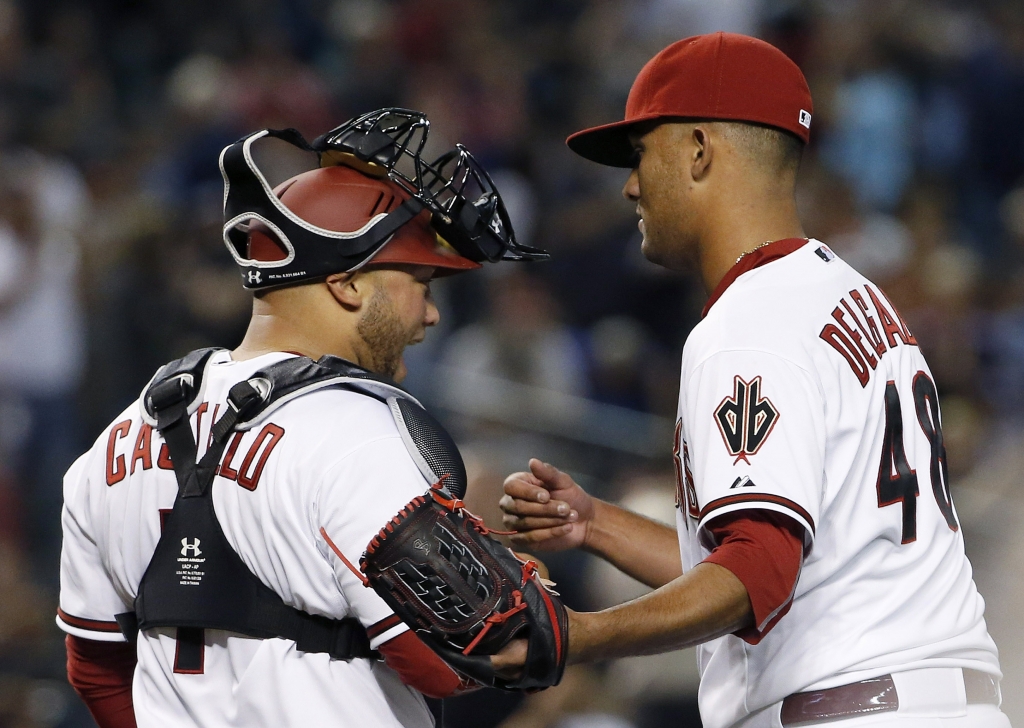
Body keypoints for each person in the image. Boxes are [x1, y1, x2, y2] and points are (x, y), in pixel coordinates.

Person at [499, 33, 1008, 727]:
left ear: (700, 150)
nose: (629, 184)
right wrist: (597, 526)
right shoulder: (853, 296)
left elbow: (756, 574)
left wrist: (576, 636)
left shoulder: (750, 322)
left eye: (642, 153)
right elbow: (779, 562)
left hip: (845, 709)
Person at [56, 110, 544, 728]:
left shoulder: (111, 447)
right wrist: (530, 584)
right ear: (347, 285)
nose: (431, 314)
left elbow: (96, 671)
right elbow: (456, 660)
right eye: (420, 281)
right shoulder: (358, 432)